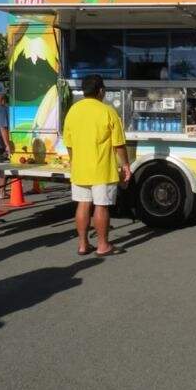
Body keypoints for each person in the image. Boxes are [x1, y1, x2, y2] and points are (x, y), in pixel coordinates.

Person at [63, 75, 131, 257]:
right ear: (101, 91)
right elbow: (118, 145)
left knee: (83, 204)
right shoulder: (107, 111)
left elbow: (68, 143)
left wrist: (74, 161)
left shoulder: (73, 111)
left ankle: (83, 245)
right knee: (101, 206)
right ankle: (103, 246)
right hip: (102, 168)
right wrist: (125, 166)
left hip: (79, 168)